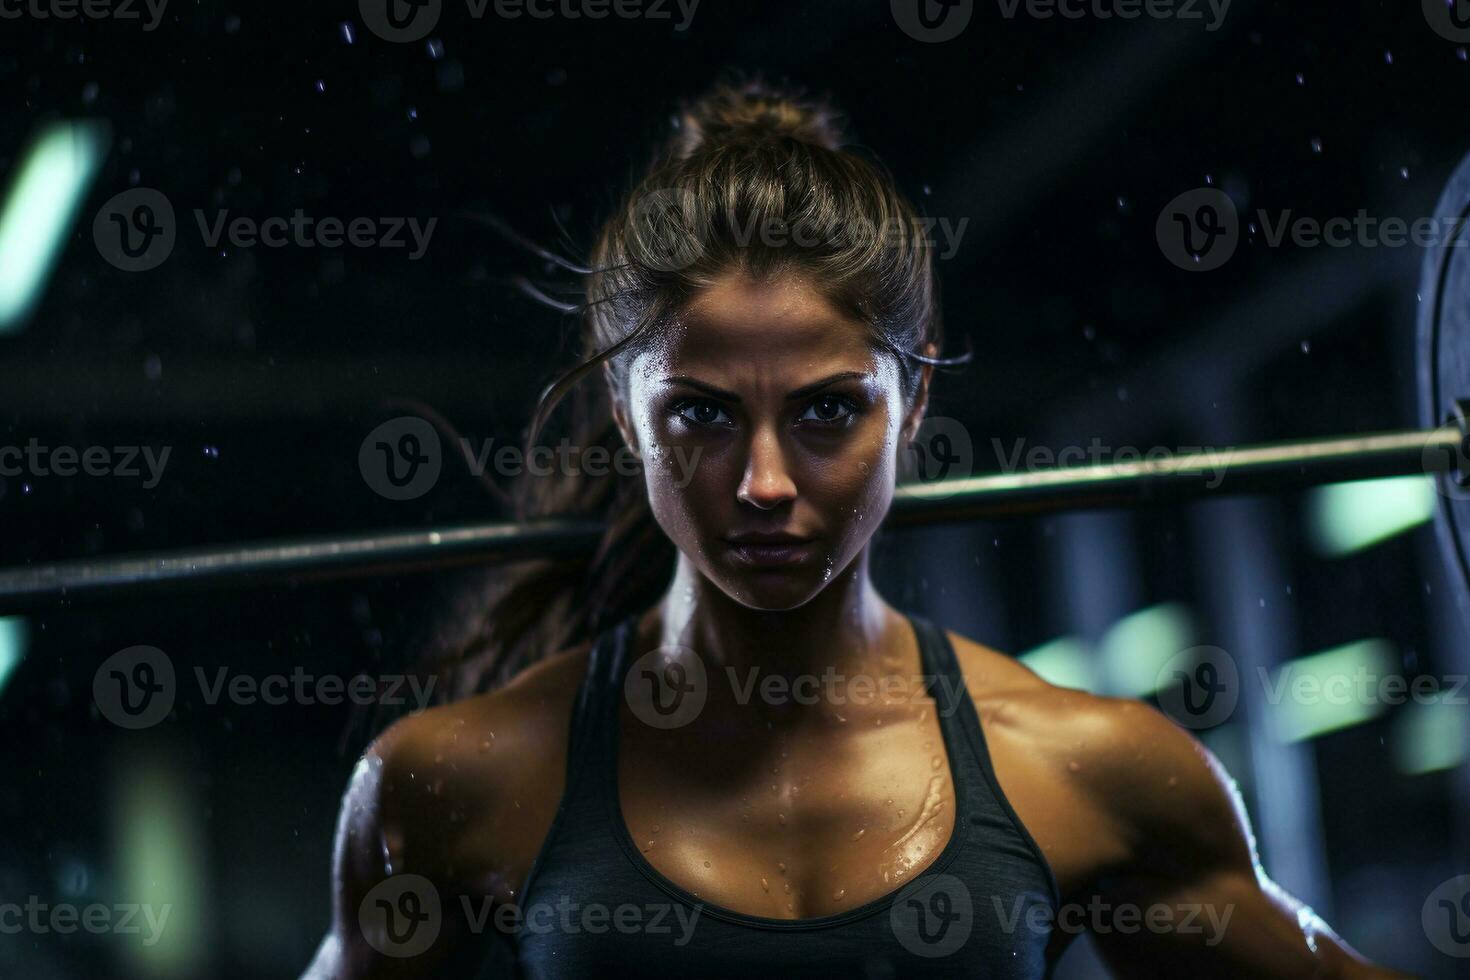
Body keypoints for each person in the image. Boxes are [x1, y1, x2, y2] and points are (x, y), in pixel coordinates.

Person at [303, 77, 1411, 978]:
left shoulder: (1091, 769)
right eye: (702, 415)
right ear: (629, 422)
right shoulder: (454, 781)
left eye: (830, 408)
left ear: (914, 404)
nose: (766, 483)